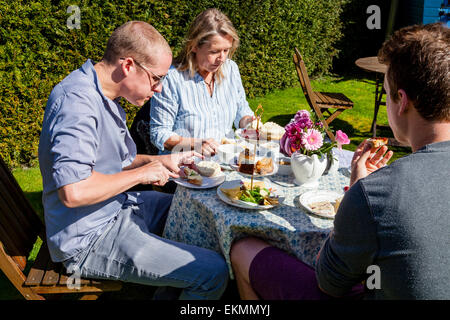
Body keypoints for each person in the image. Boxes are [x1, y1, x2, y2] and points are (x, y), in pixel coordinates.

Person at [230, 22, 450, 300]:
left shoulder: (378, 194)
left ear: (402, 101)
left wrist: (359, 191)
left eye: (386, 91)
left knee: (244, 249)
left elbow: (329, 281)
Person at [38, 21, 229, 300]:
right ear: (128, 65)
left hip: (116, 210)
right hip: (88, 238)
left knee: (189, 211)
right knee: (214, 273)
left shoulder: (104, 93)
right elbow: (73, 191)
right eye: (156, 78)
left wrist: (161, 162)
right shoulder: (77, 104)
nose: (160, 88)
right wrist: (142, 175)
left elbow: (117, 162)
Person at [148, 8, 254, 156]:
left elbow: (241, 111)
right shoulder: (172, 78)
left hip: (224, 164)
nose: (222, 58)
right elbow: (159, 133)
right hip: (184, 170)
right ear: (194, 46)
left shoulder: (231, 69)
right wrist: (196, 144)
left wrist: (250, 123)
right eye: (214, 51)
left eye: (226, 50)